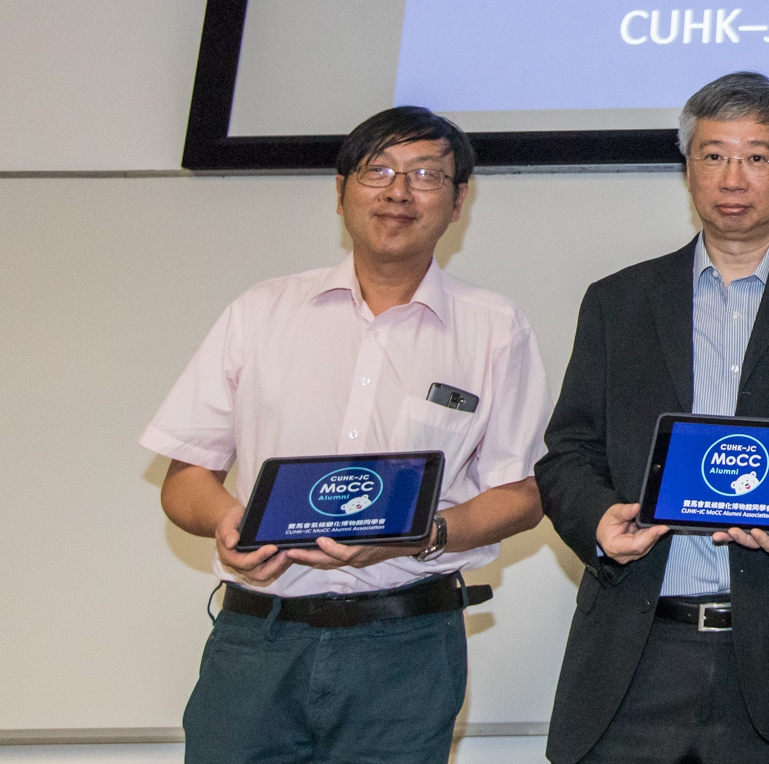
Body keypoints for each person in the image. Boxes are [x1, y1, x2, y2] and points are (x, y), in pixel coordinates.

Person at [141, 107, 551, 764]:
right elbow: (186, 476)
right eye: (378, 170)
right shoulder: (261, 312)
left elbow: (522, 494)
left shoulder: (495, 328)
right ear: (340, 192)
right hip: (258, 638)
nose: (398, 192)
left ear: (458, 202)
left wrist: (426, 535)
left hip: (407, 644)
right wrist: (227, 523)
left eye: (425, 175)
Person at [537, 72, 769, 764]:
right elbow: (568, 453)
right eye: (713, 154)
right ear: (688, 169)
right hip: (636, 650)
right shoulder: (619, 301)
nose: (734, 177)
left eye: (758, 157)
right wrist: (599, 521)